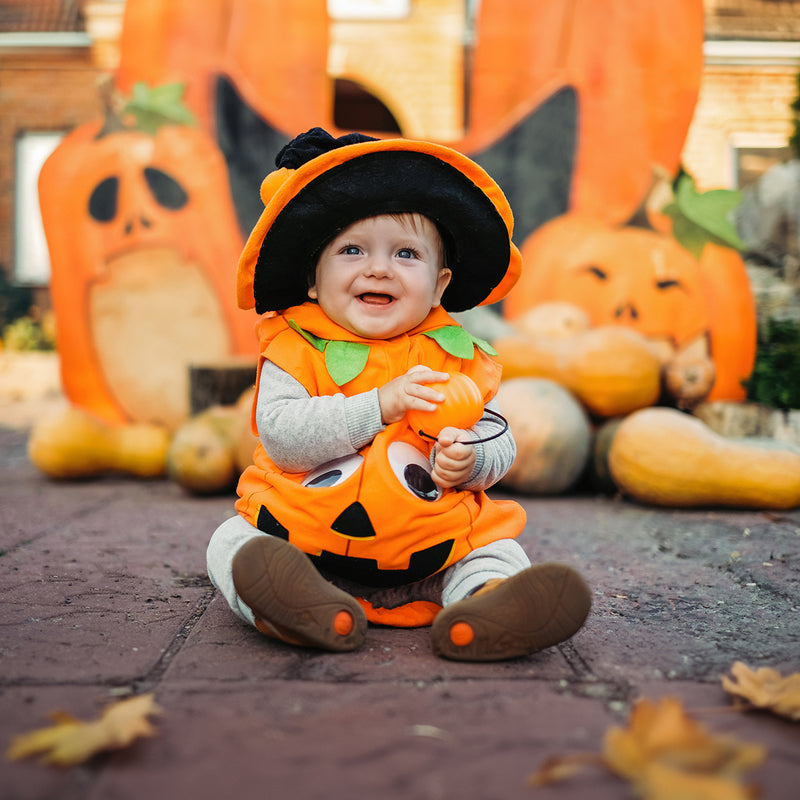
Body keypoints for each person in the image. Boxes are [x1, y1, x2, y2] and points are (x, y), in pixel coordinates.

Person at [207, 128, 591, 661]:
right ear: (313, 280)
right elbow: (282, 438)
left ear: (439, 285)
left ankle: (487, 606)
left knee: (495, 550)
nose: (379, 267)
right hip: (305, 540)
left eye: (406, 253)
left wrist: (472, 457)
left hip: (430, 551)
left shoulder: (456, 358)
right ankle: (292, 605)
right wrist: (379, 405)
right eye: (352, 249)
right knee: (231, 540)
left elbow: (500, 438)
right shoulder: (296, 349)